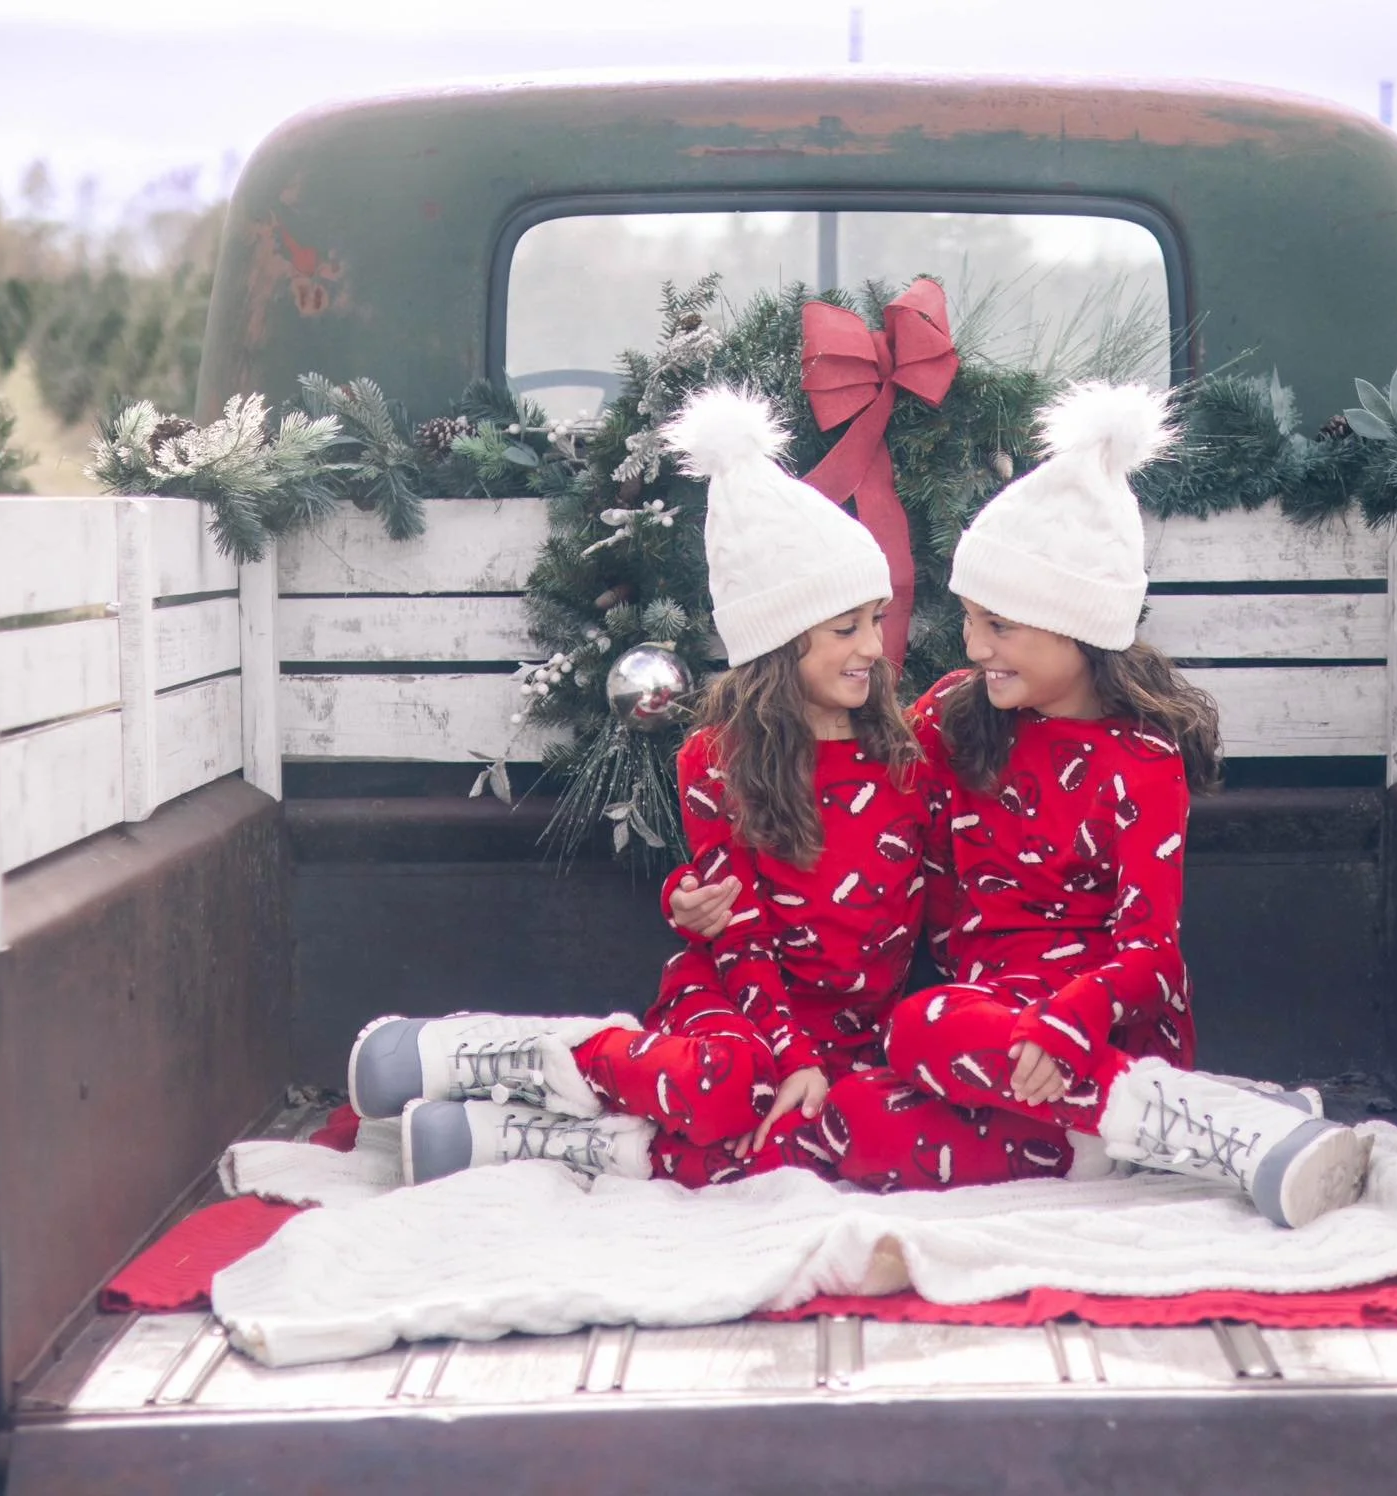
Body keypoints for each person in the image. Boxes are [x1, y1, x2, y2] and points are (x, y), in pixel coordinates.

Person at [672, 382, 1368, 1228]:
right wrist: (706, 896)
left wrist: (1067, 1026)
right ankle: (1150, 1137)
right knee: (861, 1106)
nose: (973, 648)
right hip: (980, 1033)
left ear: (1073, 623)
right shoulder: (958, 720)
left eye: (998, 626)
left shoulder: (1143, 763)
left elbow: (1151, 952)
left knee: (917, 1026)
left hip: (1097, 1027)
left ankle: (1204, 1123)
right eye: (969, 620)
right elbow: (841, 796)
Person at [343, 387, 1055, 1187]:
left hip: (856, 1035)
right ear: (782, 641)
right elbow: (741, 940)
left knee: (820, 1136)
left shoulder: (909, 750)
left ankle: (532, 1140)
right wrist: (787, 1054)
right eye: (846, 627)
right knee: (734, 1085)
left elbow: (952, 873)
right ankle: (500, 1053)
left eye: (875, 619)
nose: (873, 648)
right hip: (739, 1010)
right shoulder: (718, 761)